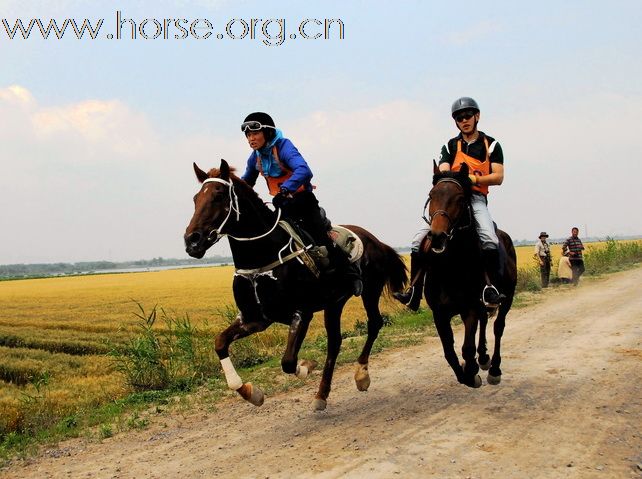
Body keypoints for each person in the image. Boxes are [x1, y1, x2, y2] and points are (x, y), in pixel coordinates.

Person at [394, 97, 505, 310]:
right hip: (451, 197)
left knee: (489, 237)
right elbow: (444, 169)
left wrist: (474, 179)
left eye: (467, 116)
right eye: (459, 118)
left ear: (477, 117)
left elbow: (498, 177)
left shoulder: (492, 145)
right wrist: (451, 181)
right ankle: (414, 291)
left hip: (476, 198)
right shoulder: (450, 145)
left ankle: (490, 289)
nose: (464, 120)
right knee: (418, 240)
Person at [239, 112, 362, 296]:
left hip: (303, 201)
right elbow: (246, 182)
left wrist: (286, 189)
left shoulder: (284, 146)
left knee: (320, 235)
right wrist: (233, 191)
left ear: (267, 133)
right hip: (282, 205)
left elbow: (304, 170)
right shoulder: (255, 157)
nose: (251, 138)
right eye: (248, 135)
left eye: (255, 134)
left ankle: (352, 274)